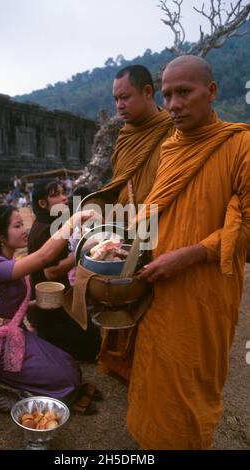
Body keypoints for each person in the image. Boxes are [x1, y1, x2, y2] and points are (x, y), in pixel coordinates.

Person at [126, 55, 250, 449]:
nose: (174, 104)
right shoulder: (171, 148)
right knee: (154, 375)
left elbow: (246, 225)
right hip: (158, 286)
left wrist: (190, 255)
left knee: (192, 381)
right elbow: (156, 209)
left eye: (184, 92)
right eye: (167, 95)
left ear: (211, 92)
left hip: (205, 290)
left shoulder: (241, 145)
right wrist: (125, 242)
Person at [82, 65, 174, 383]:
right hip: (123, 228)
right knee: (117, 294)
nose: (119, 105)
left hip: (159, 227)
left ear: (148, 92)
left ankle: (147, 371)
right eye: (115, 98)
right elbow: (121, 181)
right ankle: (119, 363)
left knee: (149, 303)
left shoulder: (172, 132)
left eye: (125, 97)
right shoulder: (125, 135)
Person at [0, 205, 95, 403]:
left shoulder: (7, 260)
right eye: (17, 226)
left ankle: (16, 385)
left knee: (70, 364)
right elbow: (43, 257)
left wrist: (35, 303)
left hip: (16, 332)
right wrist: (73, 221)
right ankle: (8, 387)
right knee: (67, 380)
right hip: (2, 343)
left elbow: (5, 307)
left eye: (23, 224)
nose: (24, 230)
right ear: (0, 236)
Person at [27, 179, 101, 361]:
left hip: (53, 304)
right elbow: (51, 272)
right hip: (49, 308)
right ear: (43, 204)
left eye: (63, 192)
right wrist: (84, 248)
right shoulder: (47, 230)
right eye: (56, 195)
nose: (63, 198)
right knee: (96, 347)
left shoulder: (46, 223)